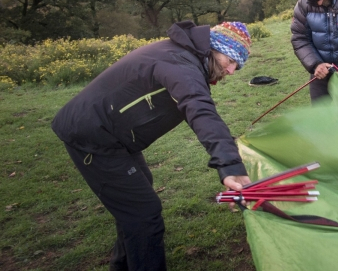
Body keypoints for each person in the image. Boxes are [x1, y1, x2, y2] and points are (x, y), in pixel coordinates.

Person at [51, 21, 252, 271]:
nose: (232, 71)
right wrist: (231, 166)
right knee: (144, 215)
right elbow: (200, 110)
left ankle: (121, 265)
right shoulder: (180, 64)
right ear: (215, 48)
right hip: (92, 137)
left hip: (115, 136)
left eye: (237, 66)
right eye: (231, 61)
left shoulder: (183, 56)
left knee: (137, 198)